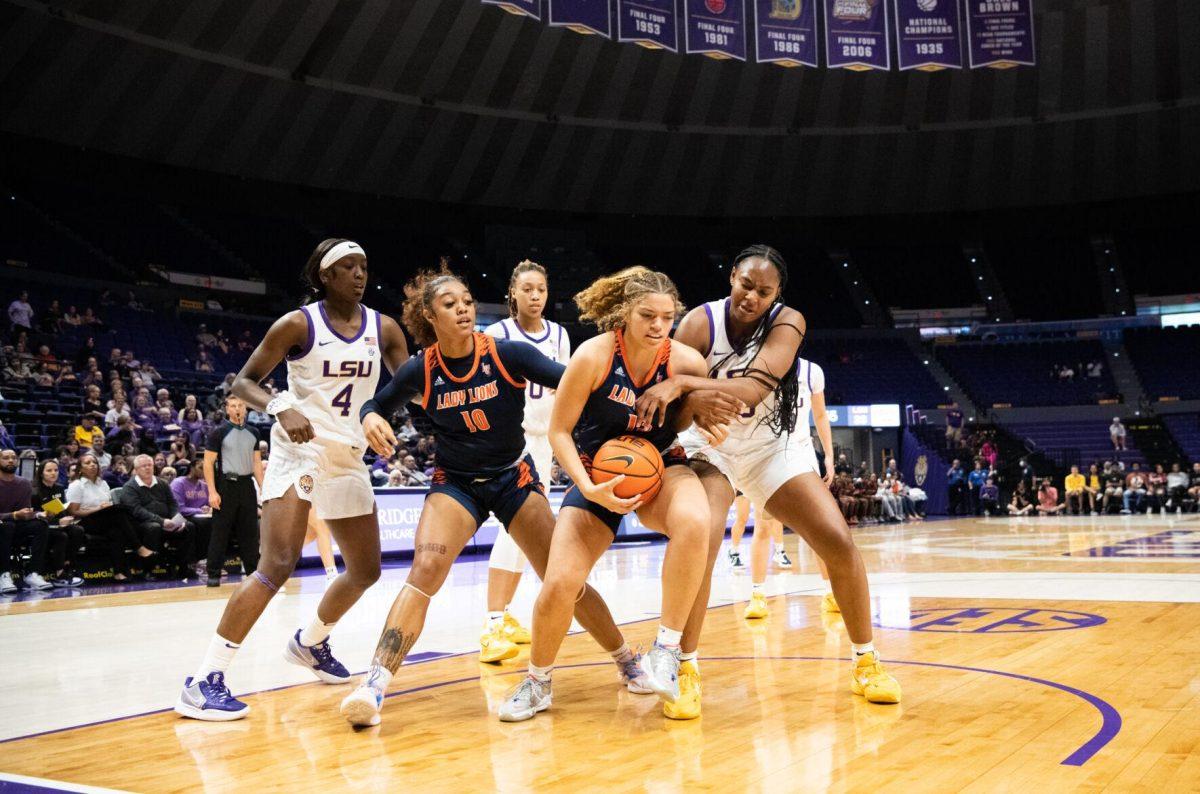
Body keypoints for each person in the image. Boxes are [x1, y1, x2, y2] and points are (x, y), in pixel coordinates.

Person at [341, 262, 640, 728]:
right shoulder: (422, 370)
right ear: (429, 316)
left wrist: (638, 406)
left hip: (513, 476)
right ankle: (373, 685)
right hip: (457, 483)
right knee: (424, 570)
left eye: (466, 302)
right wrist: (369, 416)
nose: (462, 309)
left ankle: (626, 660)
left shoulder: (508, 354)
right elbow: (376, 402)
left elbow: (578, 383)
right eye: (449, 305)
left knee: (565, 580)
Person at [627, 246, 901, 717]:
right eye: (745, 284)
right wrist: (683, 396)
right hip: (708, 447)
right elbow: (670, 406)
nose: (751, 296)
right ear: (732, 276)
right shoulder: (698, 324)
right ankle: (685, 667)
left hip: (772, 448)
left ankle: (866, 661)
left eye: (764, 291)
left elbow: (753, 389)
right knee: (704, 539)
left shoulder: (788, 321)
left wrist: (686, 386)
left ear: (777, 295)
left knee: (837, 540)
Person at [174, 238, 409, 722]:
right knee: (276, 563)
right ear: (325, 275)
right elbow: (243, 382)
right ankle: (204, 680)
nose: (360, 274)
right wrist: (281, 406)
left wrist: (381, 414)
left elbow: (406, 385)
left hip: (347, 454)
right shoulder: (299, 323)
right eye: (348, 267)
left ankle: (310, 641)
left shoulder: (384, 328)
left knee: (365, 570)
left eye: (364, 266)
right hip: (298, 451)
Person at [497, 265, 727, 724]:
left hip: (659, 465)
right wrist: (587, 486)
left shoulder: (685, 361)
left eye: (667, 317)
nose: (658, 326)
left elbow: (690, 418)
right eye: (647, 315)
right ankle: (537, 680)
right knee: (561, 582)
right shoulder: (593, 356)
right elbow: (560, 431)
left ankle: (666, 650)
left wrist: (693, 409)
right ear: (625, 312)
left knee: (697, 522)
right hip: (596, 474)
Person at [479, 259, 571, 656]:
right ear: (512, 293)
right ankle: (492, 625)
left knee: (524, 534)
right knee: (513, 530)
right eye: (528, 289)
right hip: (508, 442)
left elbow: (563, 392)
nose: (535, 296)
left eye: (542, 290)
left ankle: (505, 615)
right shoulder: (496, 333)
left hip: (542, 441)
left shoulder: (560, 335)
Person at [746, 354, 830, 619]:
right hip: (768, 454)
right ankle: (758, 595)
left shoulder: (811, 370)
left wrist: (828, 454)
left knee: (819, 527)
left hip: (802, 453)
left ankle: (830, 592)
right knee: (763, 526)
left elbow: (820, 414)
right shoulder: (760, 366)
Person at [202, 396, 263, 587]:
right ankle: (213, 574)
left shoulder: (254, 432)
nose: (237, 409)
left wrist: (264, 489)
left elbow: (257, 464)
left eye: (241, 405)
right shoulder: (218, 432)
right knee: (221, 531)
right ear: (227, 409)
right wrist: (212, 492)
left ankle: (253, 572)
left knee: (250, 532)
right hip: (226, 485)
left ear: (246, 409)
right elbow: (208, 463)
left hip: (247, 485)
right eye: (233, 406)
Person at [65, 453, 154, 581]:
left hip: (104, 520)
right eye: (88, 463)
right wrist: (99, 509)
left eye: (94, 462)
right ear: (80, 468)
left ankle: (119, 573)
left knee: (116, 531)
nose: (92, 465)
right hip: (84, 522)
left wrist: (106, 507)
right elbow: (73, 512)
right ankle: (138, 547)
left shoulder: (103, 484)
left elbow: (108, 504)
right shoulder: (77, 485)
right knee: (119, 512)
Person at [116, 454, 197, 580]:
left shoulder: (162, 483)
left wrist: (177, 519)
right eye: (143, 466)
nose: (148, 468)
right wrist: (161, 521)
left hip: (166, 521)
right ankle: (149, 569)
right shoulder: (129, 487)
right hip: (141, 524)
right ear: (136, 470)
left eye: (150, 465)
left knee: (189, 526)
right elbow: (137, 511)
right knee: (153, 528)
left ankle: (183, 567)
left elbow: (172, 504)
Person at [0, 448, 53, 592]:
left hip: (16, 526)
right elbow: (16, 515)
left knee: (41, 525)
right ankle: (3, 575)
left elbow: (26, 511)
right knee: (7, 526)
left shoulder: (24, 483)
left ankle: (32, 573)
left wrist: (37, 515)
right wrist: (15, 515)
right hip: (3, 527)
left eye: (13, 457)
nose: (10, 460)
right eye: (5, 457)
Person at [30, 459, 85, 587]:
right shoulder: (34, 491)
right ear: (41, 473)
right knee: (62, 536)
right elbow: (34, 515)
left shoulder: (59, 488)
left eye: (55, 470)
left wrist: (67, 519)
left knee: (78, 530)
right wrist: (57, 521)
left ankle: (67, 563)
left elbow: (62, 510)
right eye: (49, 470)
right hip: (42, 526)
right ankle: (59, 573)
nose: (53, 473)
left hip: (58, 524)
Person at [172, 459, 213, 578]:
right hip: (181, 517)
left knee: (216, 522)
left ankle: (213, 559)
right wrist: (200, 510)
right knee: (203, 523)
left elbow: (210, 504)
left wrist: (210, 509)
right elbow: (179, 508)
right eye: (201, 468)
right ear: (192, 468)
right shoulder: (178, 483)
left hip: (201, 517)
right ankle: (200, 560)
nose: (204, 471)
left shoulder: (204, 486)